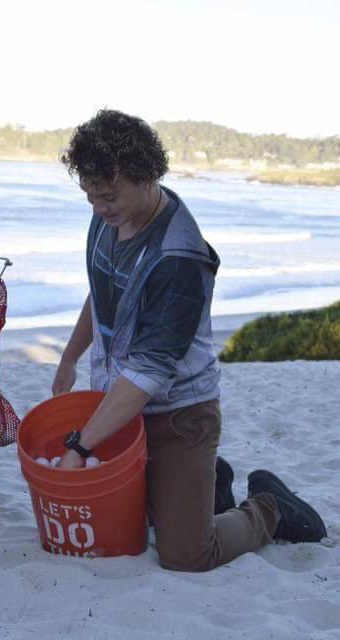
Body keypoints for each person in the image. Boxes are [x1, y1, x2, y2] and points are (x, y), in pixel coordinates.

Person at [53, 109, 326, 571]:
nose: (98, 208)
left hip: (178, 411)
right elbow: (102, 291)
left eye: (107, 196)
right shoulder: (109, 218)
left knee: (187, 554)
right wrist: (69, 357)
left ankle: (270, 508)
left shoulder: (180, 256)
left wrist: (80, 446)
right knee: (122, 521)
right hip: (121, 401)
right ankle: (211, 484)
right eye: (90, 196)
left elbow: (148, 373)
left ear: (146, 176)